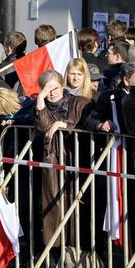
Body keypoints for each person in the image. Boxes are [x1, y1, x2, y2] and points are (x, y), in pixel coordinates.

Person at [35, 70, 90, 247]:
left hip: (77, 161)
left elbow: (87, 125)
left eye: (55, 88)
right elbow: (44, 126)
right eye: (47, 90)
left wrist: (64, 125)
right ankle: (55, 251)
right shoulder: (41, 106)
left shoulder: (78, 102)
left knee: (78, 208)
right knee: (53, 208)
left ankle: (78, 251)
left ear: (62, 85)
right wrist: (39, 100)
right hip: (53, 163)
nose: (52, 93)